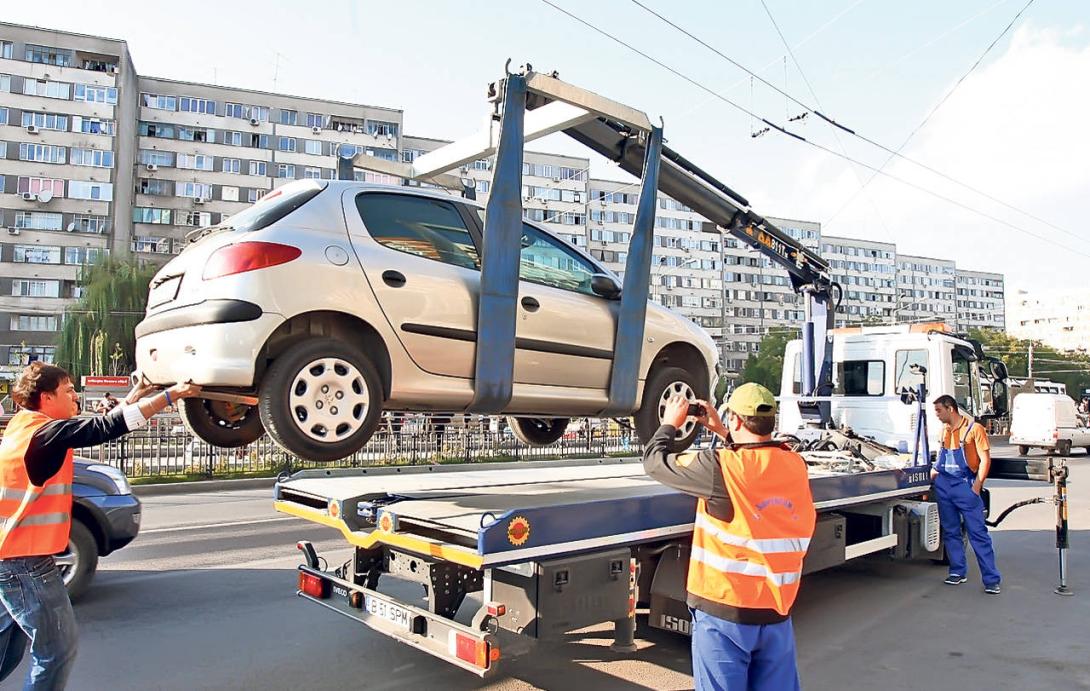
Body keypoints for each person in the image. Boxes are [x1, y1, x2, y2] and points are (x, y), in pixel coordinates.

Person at [0, 362, 201, 689]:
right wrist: (170, 395)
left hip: (10, 560)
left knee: (7, 649)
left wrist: (136, 395)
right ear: (47, 398)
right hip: (27, 565)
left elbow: (99, 424)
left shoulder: (23, 427)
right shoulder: (47, 435)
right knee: (56, 651)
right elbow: (105, 428)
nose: (75, 396)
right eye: (68, 390)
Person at [643, 383, 816, 691]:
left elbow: (655, 462)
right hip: (776, 612)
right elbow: (757, 457)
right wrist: (723, 430)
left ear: (736, 420)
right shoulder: (795, 465)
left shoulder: (719, 467)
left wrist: (670, 422)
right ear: (771, 422)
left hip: (725, 613)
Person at [931, 394, 1001, 594]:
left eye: (939, 410)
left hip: (965, 485)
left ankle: (991, 579)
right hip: (945, 485)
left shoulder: (974, 429)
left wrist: (976, 487)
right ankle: (957, 572)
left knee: (978, 534)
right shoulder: (944, 430)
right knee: (951, 532)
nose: (937, 415)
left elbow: (985, 460)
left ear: (950, 409)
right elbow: (941, 458)